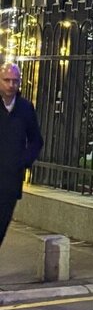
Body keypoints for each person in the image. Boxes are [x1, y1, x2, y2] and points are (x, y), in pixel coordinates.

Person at [0, 62, 43, 251]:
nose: (11, 85)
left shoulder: (25, 108)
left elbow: (36, 140)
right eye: (6, 80)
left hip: (10, 181)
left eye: (15, 81)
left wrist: (23, 161)